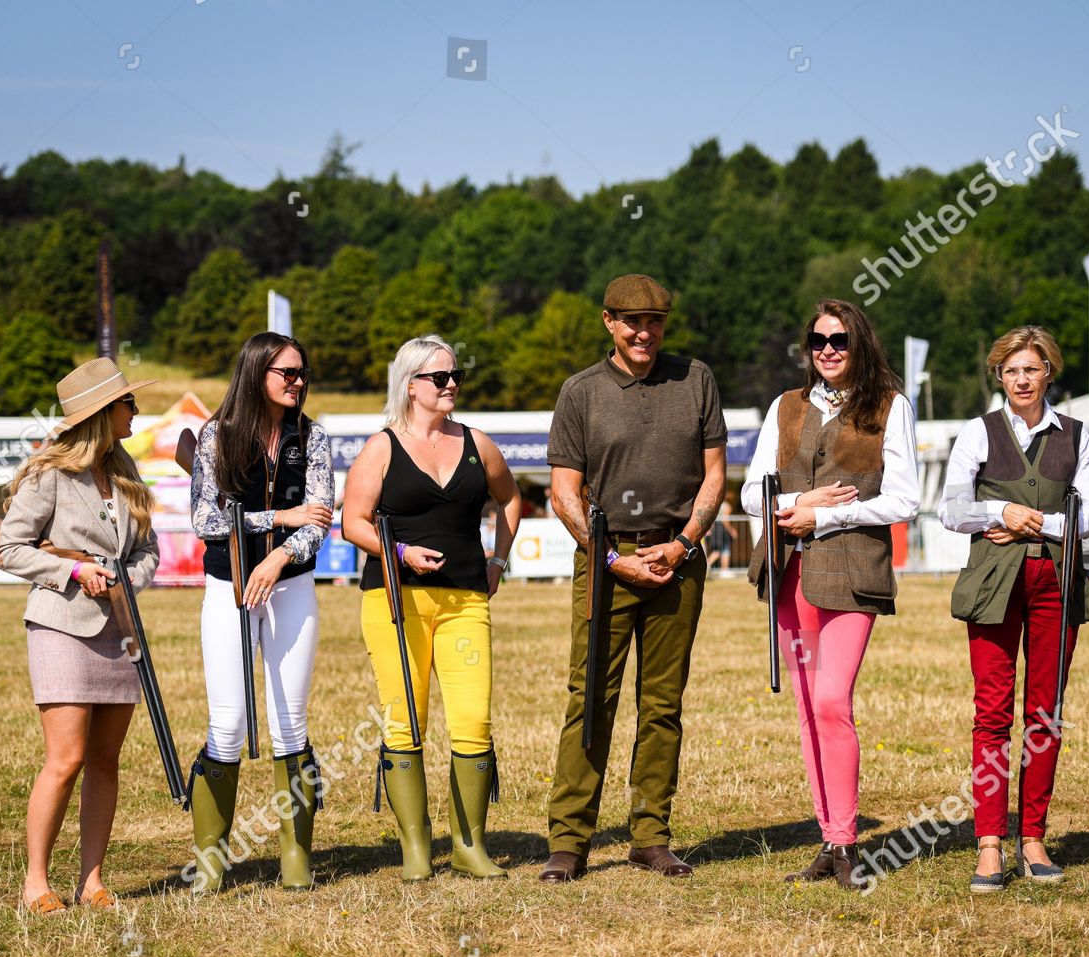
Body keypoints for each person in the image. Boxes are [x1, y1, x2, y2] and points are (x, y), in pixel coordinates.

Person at [539, 274, 727, 882]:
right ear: (608, 322)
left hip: (679, 560)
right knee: (591, 696)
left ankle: (650, 836)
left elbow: (715, 476)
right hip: (605, 561)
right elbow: (564, 493)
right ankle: (568, 842)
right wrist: (612, 557)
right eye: (631, 321)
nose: (644, 332)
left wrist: (681, 545)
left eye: (655, 321)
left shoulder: (696, 379)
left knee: (662, 704)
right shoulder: (580, 393)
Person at [741, 298, 920, 890]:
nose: (828, 350)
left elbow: (904, 499)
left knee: (831, 702)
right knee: (806, 709)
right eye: (818, 341)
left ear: (859, 342)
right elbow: (749, 495)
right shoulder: (784, 407)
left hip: (852, 574)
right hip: (789, 574)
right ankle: (828, 837)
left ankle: (845, 842)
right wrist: (802, 504)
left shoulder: (891, 407)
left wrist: (829, 520)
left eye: (839, 340)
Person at [341, 335, 522, 881]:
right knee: (406, 722)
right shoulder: (381, 447)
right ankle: (416, 851)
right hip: (394, 600)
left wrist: (499, 560)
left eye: (454, 377)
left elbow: (510, 497)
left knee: (473, 722)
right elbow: (353, 522)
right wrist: (397, 552)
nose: (450, 386)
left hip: (467, 598)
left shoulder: (476, 442)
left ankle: (469, 846)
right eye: (438, 377)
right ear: (410, 384)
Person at [940, 326, 1089, 892]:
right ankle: (989, 842)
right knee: (992, 713)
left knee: (1045, 713)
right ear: (999, 376)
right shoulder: (977, 433)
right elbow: (950, 509)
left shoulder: (1077, 434)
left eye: (1031, 369)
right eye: (1012, 370)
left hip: (1056, 580)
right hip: (994, 580)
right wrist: (999, 513)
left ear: (1049, 373)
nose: (1021, 379)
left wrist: (1042, 522)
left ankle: (1033, 837)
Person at [0, 358, 160, 914]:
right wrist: (73, 571)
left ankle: (92, 881)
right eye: (128, 403)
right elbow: (8, 547)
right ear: (102, 412)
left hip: (120, 627)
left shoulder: (127, 468)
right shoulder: (48, 475)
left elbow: (147, 552)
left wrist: (124, 581)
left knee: (106, 760)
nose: (136, 409)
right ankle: (36, 884)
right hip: (60, 624)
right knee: (64, 760)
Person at [185, 332, 334, 892]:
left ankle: (297, 860)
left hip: (291, 587)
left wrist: (277, 557)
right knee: (227, 725)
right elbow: (205, 520)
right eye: (286, 372)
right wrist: (280, 517)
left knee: (290, 723)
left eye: (302, 372)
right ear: (256, 373)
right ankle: (210, 863)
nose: (298, 381)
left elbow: (320, 519)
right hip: (226, 587)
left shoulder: (313, 436)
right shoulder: (215, 436)